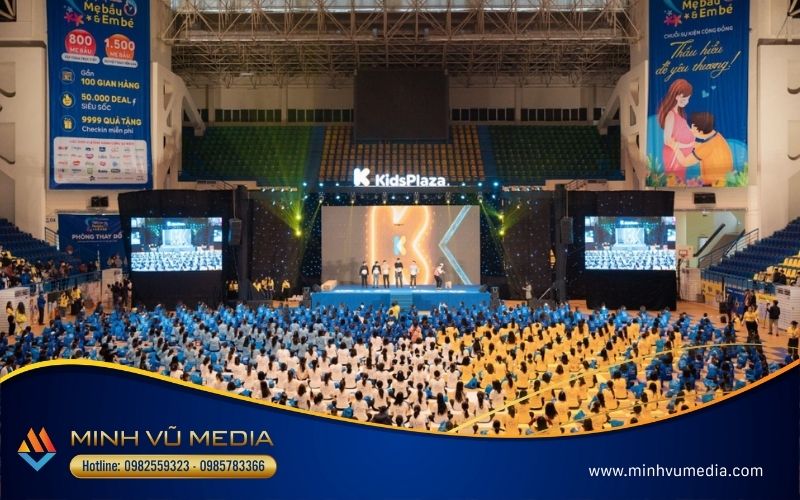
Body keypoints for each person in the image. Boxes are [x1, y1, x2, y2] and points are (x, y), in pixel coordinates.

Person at [668, 112, 734, 187]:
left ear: (701, 132)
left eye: (693, 129)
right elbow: (701, 147)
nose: (691, 131)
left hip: (713, 184)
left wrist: (674, 147)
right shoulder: (717, 136)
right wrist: (685, 144)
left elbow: (685, 162)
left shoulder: (707, 146)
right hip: (723, 182)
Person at [657, 78, 694, 185]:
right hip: (674, 156)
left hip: (681, 157)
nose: (687, 102)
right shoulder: (671, 115)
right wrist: (687, 145)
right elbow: (667, 140)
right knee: (676, 181)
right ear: (677, 96)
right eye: (684, 99)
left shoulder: (680, 114)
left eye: (688, 99)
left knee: (680, 182)